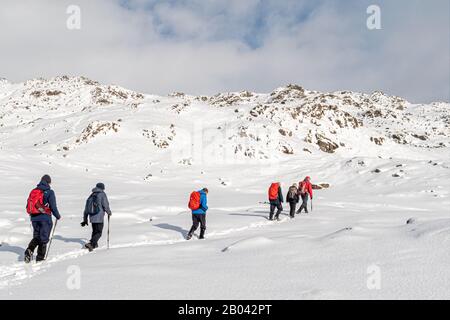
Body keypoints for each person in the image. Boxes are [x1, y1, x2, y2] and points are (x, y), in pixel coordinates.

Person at [24, 175, 61, 263]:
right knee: (44, 238)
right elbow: (53, 206)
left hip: (34, 218)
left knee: (37, 236)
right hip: (45, 218)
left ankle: (29, 250)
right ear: (49, 182)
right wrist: (57, 216)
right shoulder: (49, 192)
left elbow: (28, 205)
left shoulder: (34, 191)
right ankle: (40, 258)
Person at [81, 183, 112, 251]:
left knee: (95, 231)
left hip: (92, 217)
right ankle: (91, 243)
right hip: (99, 217)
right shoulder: (102, 194)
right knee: (99, 232)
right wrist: (109, 212)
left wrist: (85, 219)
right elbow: (105, 205)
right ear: (102, 188)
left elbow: (86, 208)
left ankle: (94, 244)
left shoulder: (92, 195)